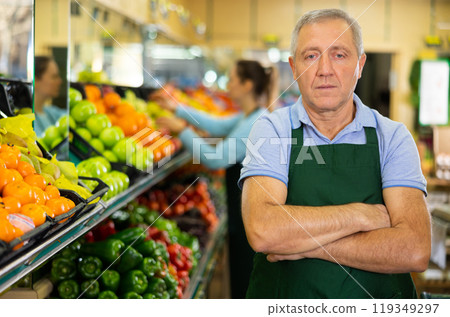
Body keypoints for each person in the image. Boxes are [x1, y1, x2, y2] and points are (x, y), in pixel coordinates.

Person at [239, 9, 431, 299]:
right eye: (311, 56)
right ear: (294, 67)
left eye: (339, 54)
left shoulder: (392, 137)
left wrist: (305, 245)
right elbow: (264, 231)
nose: (325, 69)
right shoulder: (271, 130)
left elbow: (414, 249)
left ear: (360, 64)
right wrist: (362, 216)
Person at [154, 60, 277, 298]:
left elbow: (216, 158)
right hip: (243, 211)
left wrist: (182, 130)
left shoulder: (256, 122)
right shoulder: (248, 115)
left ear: (247, 84)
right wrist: (176, 108)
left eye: (231, 79)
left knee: (246, 280)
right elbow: (215, 124)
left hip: (251, 217)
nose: (227, 84)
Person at [34, 56, 66, 137]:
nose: (60, 81)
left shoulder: (51, 112)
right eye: (54, 77)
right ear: (35, 80)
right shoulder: (26, 120)